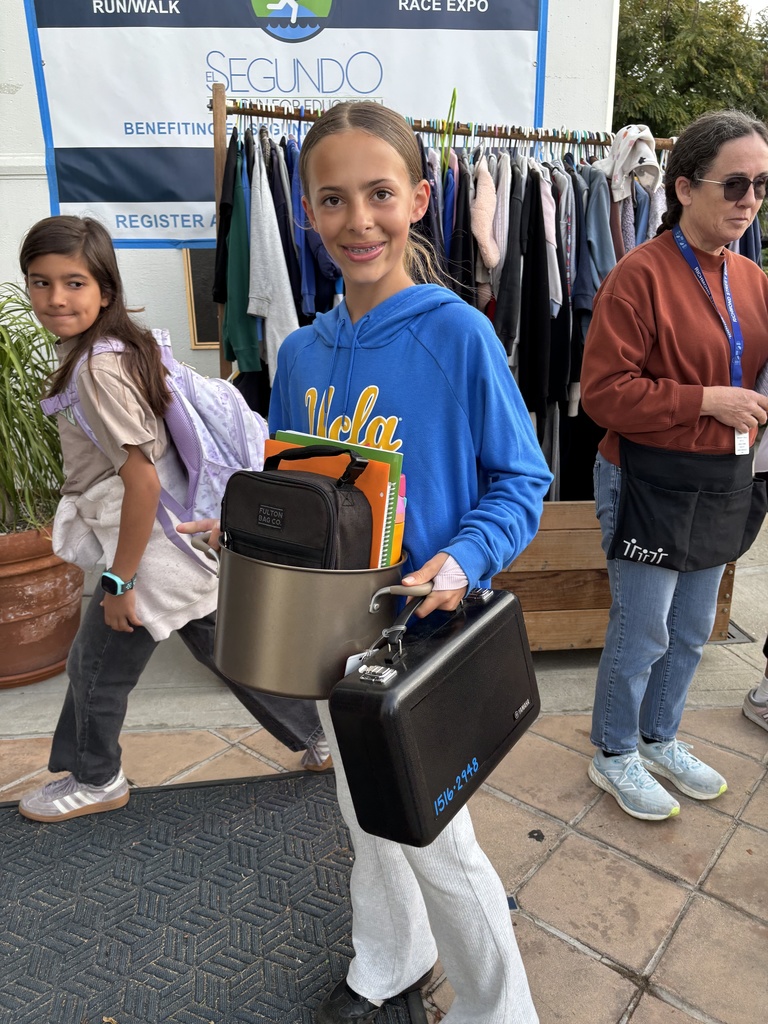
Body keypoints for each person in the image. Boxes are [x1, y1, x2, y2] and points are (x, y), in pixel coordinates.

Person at [183, 101, 551, 1024]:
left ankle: (500, 1013)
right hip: (332, 636)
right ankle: (389, 959)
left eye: (380, 193)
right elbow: (312, 498)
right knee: (364, 815)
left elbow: (521, 480)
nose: (359, 220)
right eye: (334, 199)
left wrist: (461, 562)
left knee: (436, 839)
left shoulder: (457, 334)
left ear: (421, 199)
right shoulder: (301, 350)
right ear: (305, 211)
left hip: (421, 636)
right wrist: (241, 532)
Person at [16, 215, 329, 824]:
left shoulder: (96, 371)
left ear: (104, 290)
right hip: (179, 539)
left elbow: (141, 480)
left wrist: (119, 582)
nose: (56, 298)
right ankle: (318, 741)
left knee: (95, 667)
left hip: (150, 549)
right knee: (232, 650)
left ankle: (96, 779)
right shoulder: (116, 349)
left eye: (74, 283)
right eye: (40, 282)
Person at [580, 109, 768, 821]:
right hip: (645, 479)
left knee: (692, 629)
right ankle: (614, 751)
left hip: (720, 481)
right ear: (685, 187)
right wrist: (707, 400)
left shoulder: (754, 279)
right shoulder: (639, 276)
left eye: (761, 185)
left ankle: (660, 737)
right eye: (736, 184)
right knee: (644, 628)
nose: (750, 200)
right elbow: (603, 395)